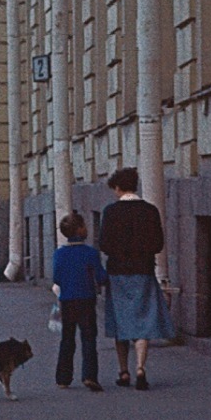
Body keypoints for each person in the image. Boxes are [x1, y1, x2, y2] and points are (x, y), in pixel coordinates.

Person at [98, 166, 173, 390]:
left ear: (119, 187)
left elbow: (104, 244)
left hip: (118, 273)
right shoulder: (150, 211)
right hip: (143, 271)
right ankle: (141, 367)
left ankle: (123, 372)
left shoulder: (110, 212)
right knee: (143, 319)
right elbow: (158, 244)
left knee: (121, 321)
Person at [52, 211, 106, 391]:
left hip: (67, 300)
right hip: (86, 300)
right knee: (89, 338)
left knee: (67, 339)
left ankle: (63, 378)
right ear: (80, 229)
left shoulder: (59, 254)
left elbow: (57, 278)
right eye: (84, 226)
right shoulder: (90, 253)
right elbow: (100, 276)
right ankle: (89, 376)